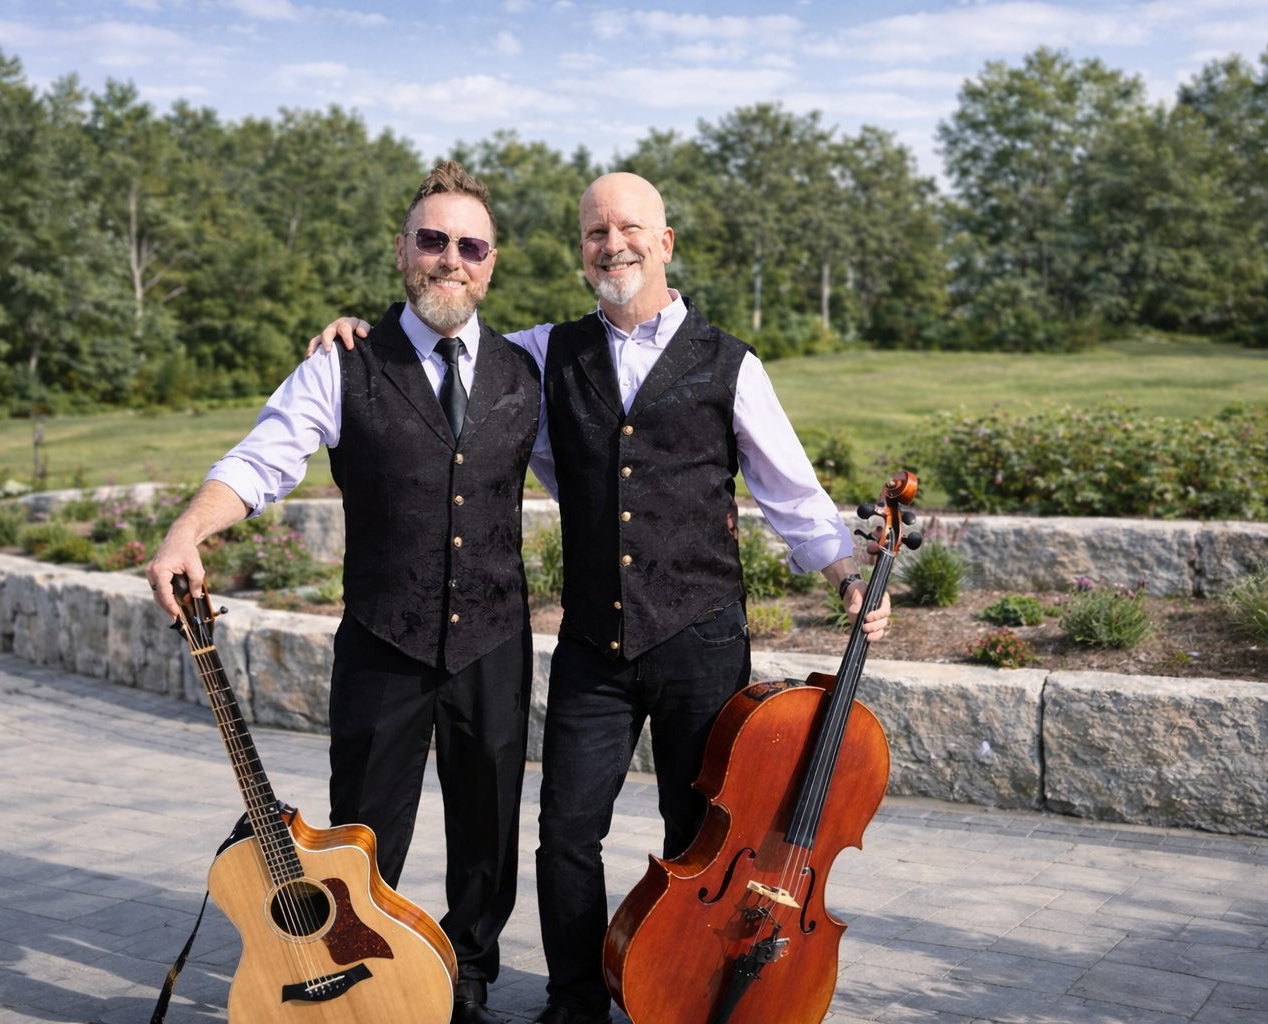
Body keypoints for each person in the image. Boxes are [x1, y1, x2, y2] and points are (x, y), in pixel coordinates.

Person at [312, 171, 891, 1024]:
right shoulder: (545, 354)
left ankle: (684, 994)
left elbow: (788, 489)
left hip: (699, 637)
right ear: (580, 251)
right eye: (593, 232)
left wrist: (845, 571)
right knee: (566, 835)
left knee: (698, 836)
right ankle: (575, 999)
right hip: (593, 644)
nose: (611, 244)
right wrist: (363, 335)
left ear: (664, 242)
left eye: (628, 229)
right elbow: (449, 329)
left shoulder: (731, 362)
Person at [146, 161, 540, 1024]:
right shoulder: (344, 363)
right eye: (432, 240)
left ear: (492, 262)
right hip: (383, 641)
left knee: (490, 830)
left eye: (469, 245)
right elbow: (263, 457)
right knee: (362, 837)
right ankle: (372, 990)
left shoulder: (526, 368)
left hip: (495, 643)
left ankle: (468, 982)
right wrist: (187, 530)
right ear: (402, 250)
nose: (450, 259)